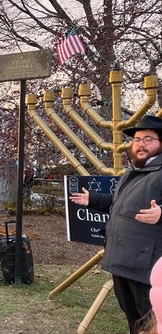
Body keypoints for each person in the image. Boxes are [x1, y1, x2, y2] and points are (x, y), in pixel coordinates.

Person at [69, 115, 162, 333]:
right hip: (122, 261)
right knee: (133, 319)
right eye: (137, 139)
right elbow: (121, 203)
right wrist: (92, 200)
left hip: (147, 267)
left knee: (151, 321)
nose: (140, 144)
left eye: (148, 139)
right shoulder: (133, 172)